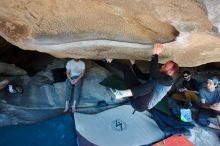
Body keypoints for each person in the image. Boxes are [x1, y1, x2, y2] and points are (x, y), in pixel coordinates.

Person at [108, 43, 179, 112]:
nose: (162, 66)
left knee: (153, 81)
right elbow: (140, 75)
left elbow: (154, 74)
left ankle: (120, 94)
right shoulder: (159, 76)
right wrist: (133, 64)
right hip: (135, 96)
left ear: (170, 72)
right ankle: (108, 60)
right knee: (127, 69)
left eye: (165, 66)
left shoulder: (169, 81)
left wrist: (155, 54)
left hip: (141, 105)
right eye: (164, 64)